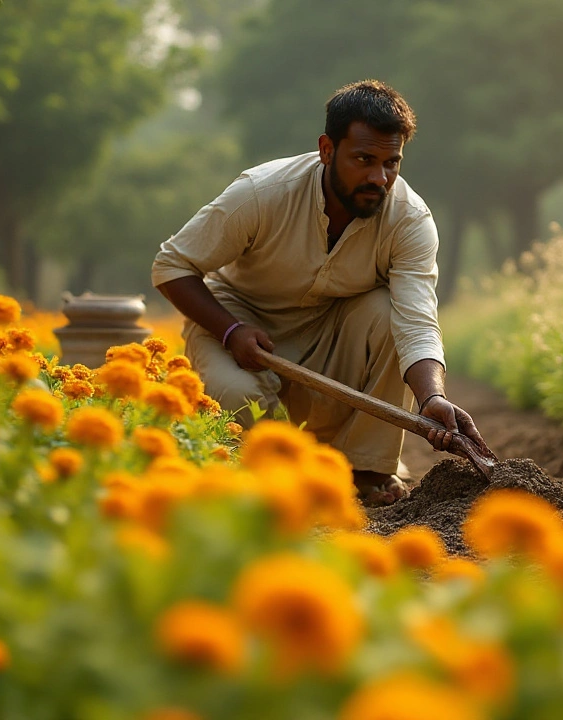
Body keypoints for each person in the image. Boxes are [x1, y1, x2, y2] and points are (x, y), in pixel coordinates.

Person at [151, 79, 491, 506]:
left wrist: (432, 397)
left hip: (332, 330)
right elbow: (171, 265)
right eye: (363, 159)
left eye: (391, 163)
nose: (378, 177)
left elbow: (416, 319)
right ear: (327, 149)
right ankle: (273, 476)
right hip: (239, 321)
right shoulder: (261, 193)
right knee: (241, 402)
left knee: (386, 312)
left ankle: (365, 470)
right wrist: (231, 329)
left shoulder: (409, 219)